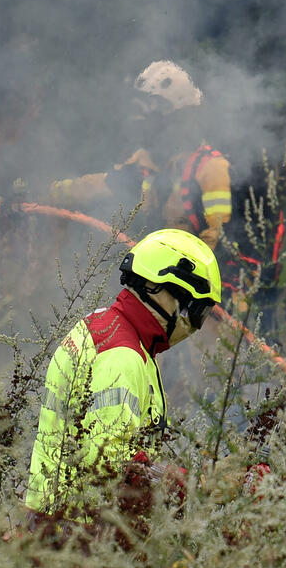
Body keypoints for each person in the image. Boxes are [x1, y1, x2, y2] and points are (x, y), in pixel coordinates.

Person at [24, 228, 221, 518]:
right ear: (159, 289)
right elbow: (108, 463)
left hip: (51, 521)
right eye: (193, 310)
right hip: (79, 532)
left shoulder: (101, 324)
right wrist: (186, 484)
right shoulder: (123, 356)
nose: (191, 325)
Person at [49, 61, 232, 250]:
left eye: (157, 112)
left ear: (182, 117)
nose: (146, 122)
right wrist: (47, 193)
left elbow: (220, 241)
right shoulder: (145, 162)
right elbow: (97, 185)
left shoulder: (212, 169)